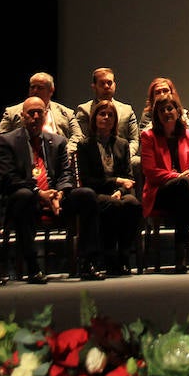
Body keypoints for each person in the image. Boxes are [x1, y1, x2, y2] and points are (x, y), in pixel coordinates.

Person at [0, 95, 106, 284]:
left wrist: (59, 193)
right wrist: (40, 193)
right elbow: (9, 178)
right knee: (24, 196)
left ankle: (87, 263)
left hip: (55, 196)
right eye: (31, 113)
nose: (36, 116)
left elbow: (65, 174)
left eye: (40, 112)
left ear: (46, 115)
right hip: (27, 196)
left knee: (86, 196)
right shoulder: (8, 141)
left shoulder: (58, 141)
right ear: (22, 116)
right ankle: (33, 267)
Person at [140, 91, 189, 273]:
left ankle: (181, 262)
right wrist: (179, 177)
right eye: (162, 110)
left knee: (184, 198)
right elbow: (151, 173)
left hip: (183, 193)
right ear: (156, 115)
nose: (167, 112)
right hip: (159, 193)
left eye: (170, 108)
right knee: (183, 186)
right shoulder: (149, 136)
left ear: (178, 111)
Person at [75, 98, 144, 276]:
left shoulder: (122, 144)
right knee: (111, 205)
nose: (106, 117)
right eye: (102, 114)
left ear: (115, 120)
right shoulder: (85, 145)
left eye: (110, 115)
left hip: (118, 193)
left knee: (133, 204)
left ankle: (124, 257)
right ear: (95, 118)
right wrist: (116, 182)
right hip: (95, 193)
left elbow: (128, 178)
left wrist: (120, 190)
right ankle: (109, 256)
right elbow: (87, 179)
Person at [0, 71, 84, 151]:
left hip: (58, 157)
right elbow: (1, 137)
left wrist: (66, 151)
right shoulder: (11, 112)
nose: (35, 91)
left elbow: (78, 136)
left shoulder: (66, 113)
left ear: (51, 90)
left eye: (40, 88)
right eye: (32, 87)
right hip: (23, 156)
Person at [75, 68, 141, 160]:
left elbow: (134, 140)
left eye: (109, 83)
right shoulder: (84, 110)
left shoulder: (127, 110)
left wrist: (124, 155)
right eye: (102, 83)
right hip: (95, 158)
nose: (106, 86)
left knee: (137, 161)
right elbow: (82, 140)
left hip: (123, 156)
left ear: (114, 85)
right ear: (94, 87)